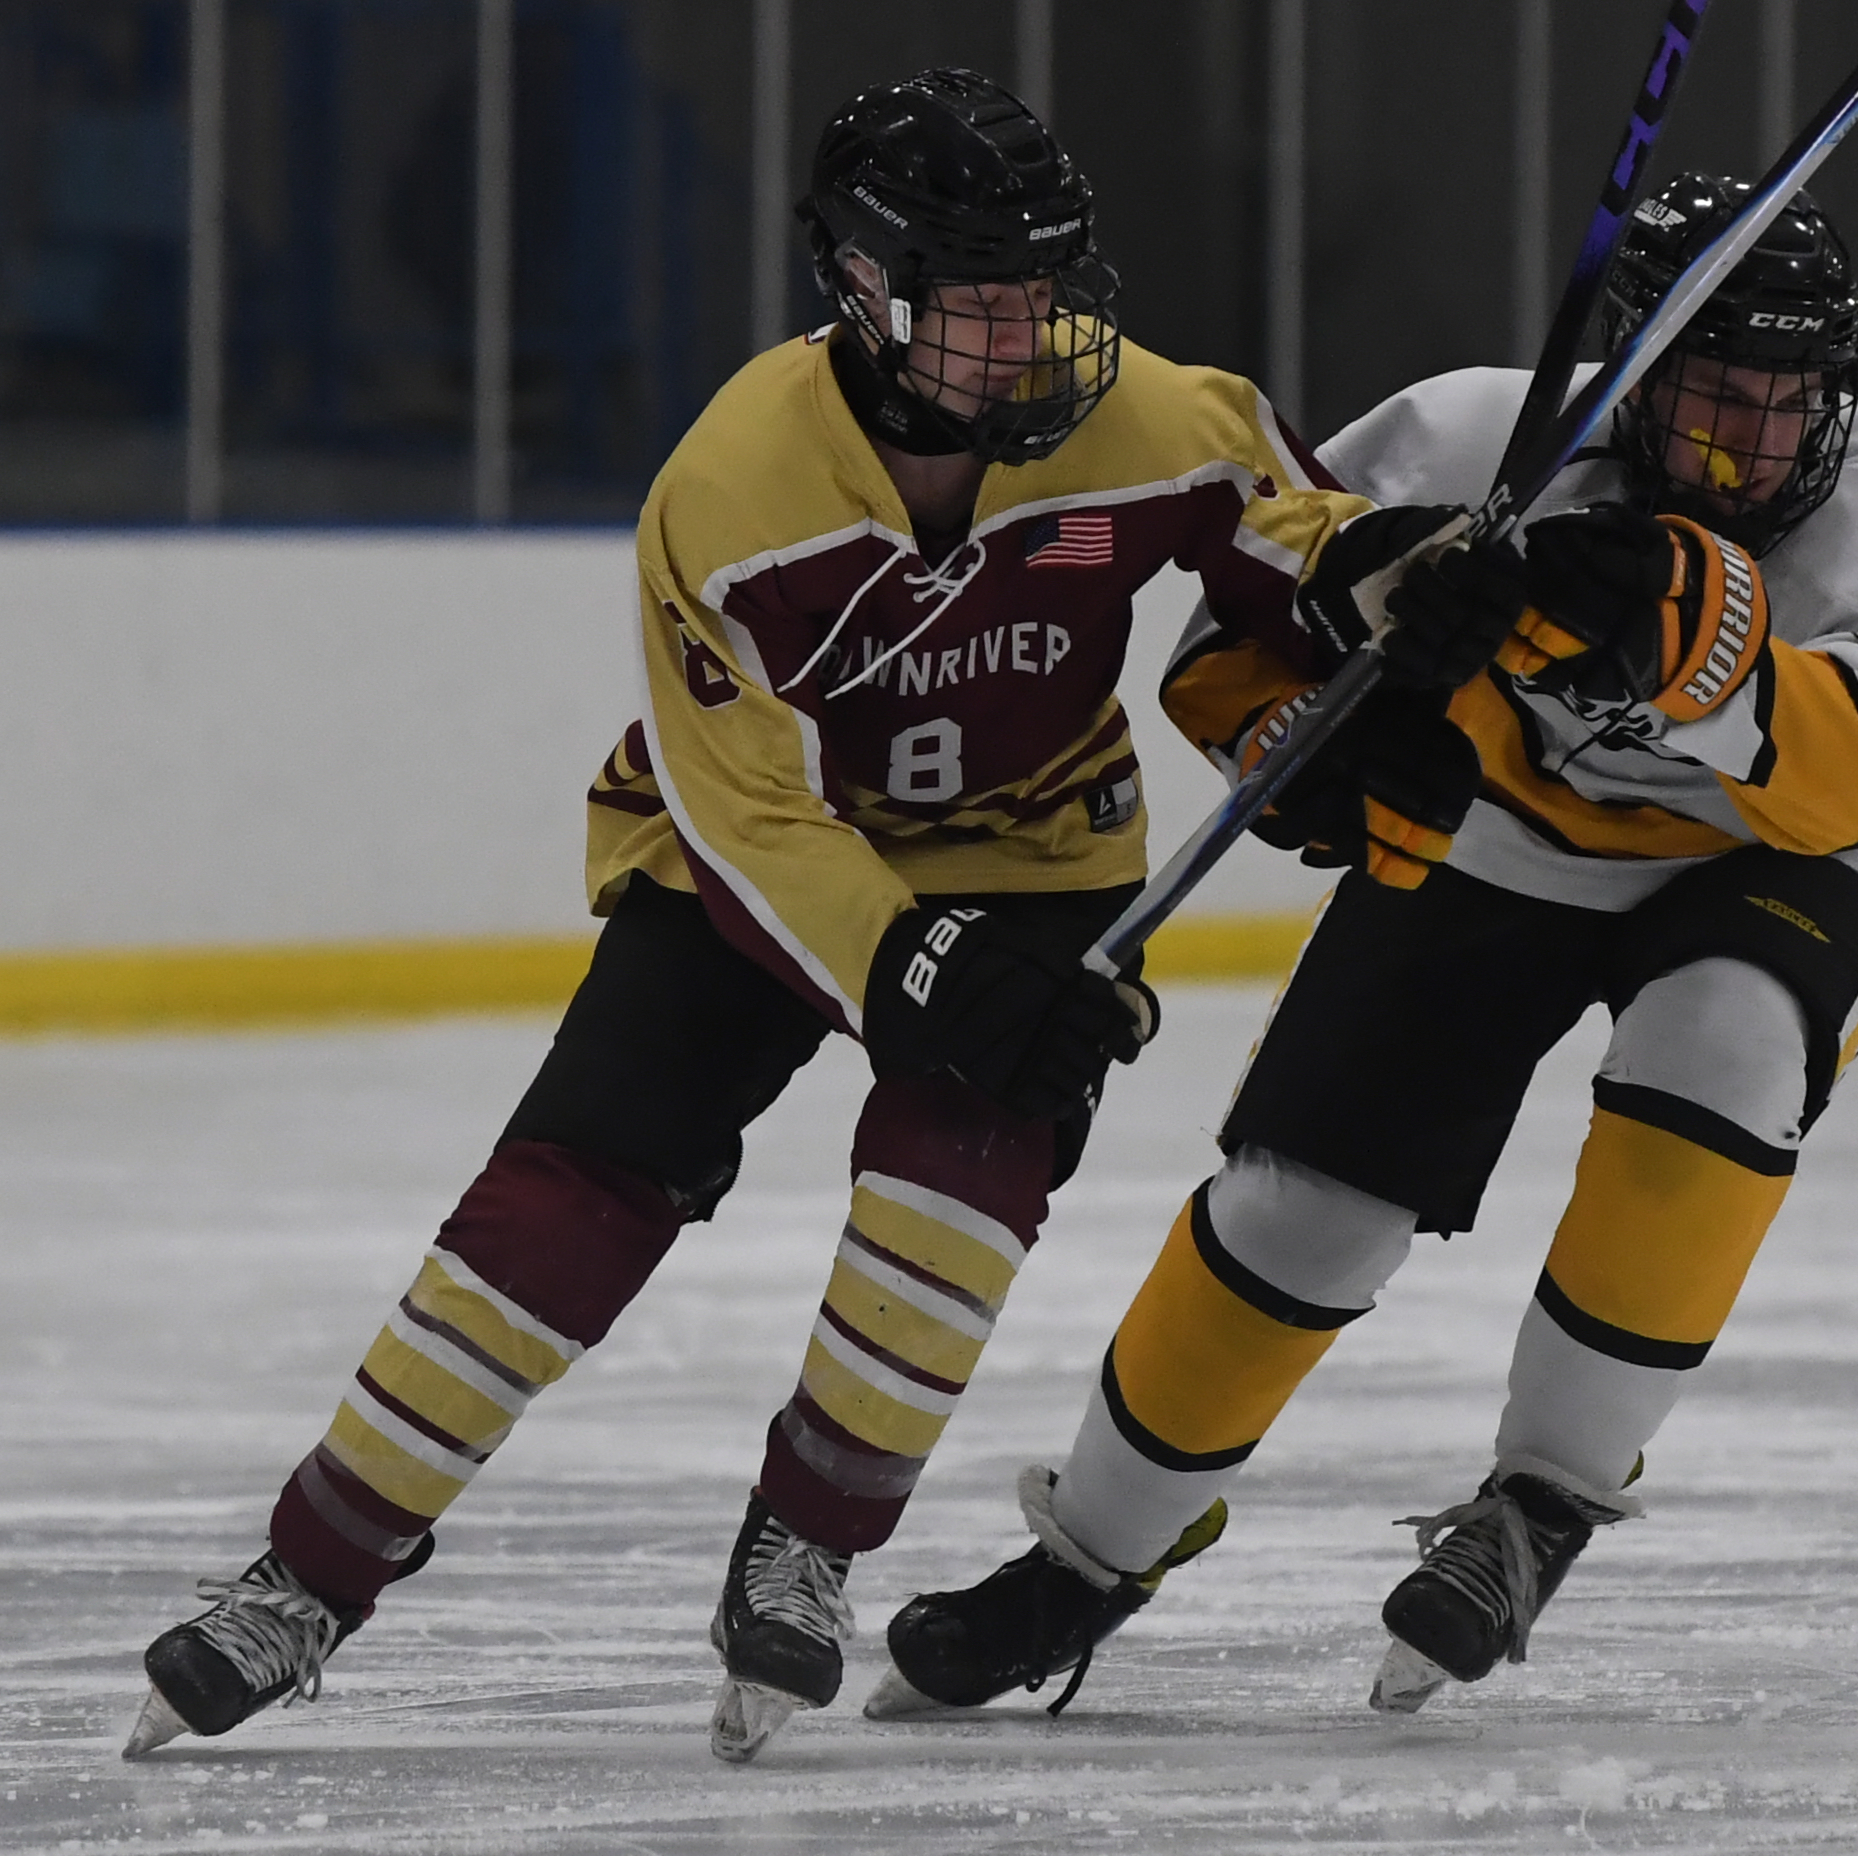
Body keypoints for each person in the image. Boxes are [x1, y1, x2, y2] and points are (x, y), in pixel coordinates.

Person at [122, 67, 1504, 1766]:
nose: (1035, 341)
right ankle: (310, 1573)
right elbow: (752, 816)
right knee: (566, 1201)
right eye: (981, 309)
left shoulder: (1151, 415)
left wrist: (1393, 576)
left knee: (957, 1204)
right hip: (741, 860)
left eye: (1050, 295)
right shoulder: (734, 490)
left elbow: (1292, 535)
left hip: (1031, 857)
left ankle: (809, 1541)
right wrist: (914, 965)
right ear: (859, 292)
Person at [863, 172, 1858, 1723]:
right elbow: (1230, 646)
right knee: (1300, 1210)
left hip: (1776, 867)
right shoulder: (1466, 442)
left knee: (1718, 1039)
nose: (1754, 443)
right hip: (1502, 843)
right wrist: (1316, 746)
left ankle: (1538, 1510)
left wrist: (1685, 629)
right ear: (1637, 376)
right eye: (1715, 397)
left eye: (1788, 402)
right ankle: (1089, 1558)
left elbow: (1841, 780)